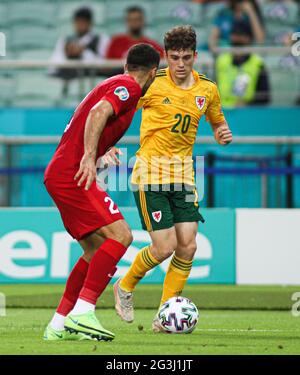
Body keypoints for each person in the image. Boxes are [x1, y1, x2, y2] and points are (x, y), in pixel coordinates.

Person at [112, 25, 233, 332]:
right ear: (165, 57)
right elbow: (119, 112)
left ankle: (164, 316)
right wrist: (109, 143)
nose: (180, 64)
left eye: (186, 58)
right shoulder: (151, 84)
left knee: (188, 247)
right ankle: (124, 287)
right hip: (150, 175)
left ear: (195, 56)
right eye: (175, 57)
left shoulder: (207, 90)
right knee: (164, 247)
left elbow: (217, 123)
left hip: (184, 177)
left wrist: (221, 134)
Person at [43, 44, 160, 341]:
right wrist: (88, 156)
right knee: (122, 236)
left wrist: (98, 152)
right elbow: (98, 113)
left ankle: (58, 326)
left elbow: (89, 119)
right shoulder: (129, 87)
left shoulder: (111, 82)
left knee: (94, 251)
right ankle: (84, 311)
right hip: (73, 174)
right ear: (152, 73)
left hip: (61, 173)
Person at [216, 19, 271, 107]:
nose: (237, 38)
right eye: (234, 34)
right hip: (221, 112)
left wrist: (247, 104)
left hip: (247, 114)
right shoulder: (221, 60)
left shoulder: (258, 63)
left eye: (241, 35)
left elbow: (265, 98)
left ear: (249, 38)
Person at [50, 7, 110, 79]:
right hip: (68, 79)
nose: (80, 25)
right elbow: (53, 66)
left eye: (83, 21)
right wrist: (69, 55)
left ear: (90, 23)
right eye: (78, 21)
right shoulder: (64, 40)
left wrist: (84, 53)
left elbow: (105, 66)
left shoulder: (101, 39)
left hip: (92, 80)